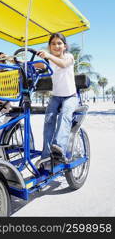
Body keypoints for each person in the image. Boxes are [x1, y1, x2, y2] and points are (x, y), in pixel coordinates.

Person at [36, 32, 78, 163]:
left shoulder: (69, 57)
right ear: (49, 46)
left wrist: (48, 56)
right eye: (53, 44)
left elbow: (63, 64)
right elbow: (33, 65)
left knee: (65, 115)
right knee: (48, 120)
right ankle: (46, 156)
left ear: (64, 46)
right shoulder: (48, 61)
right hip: (55, 96)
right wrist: (16, 61)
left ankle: (58, 148)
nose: (56, 46)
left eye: (59, 43)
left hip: (70, 96)